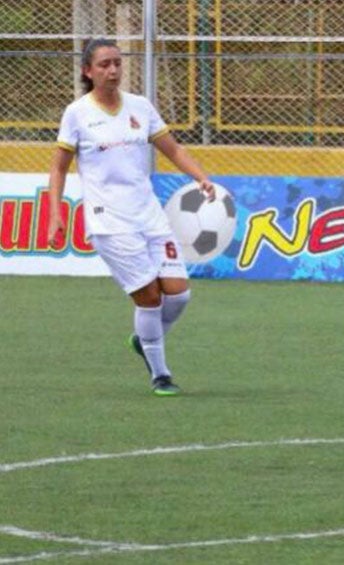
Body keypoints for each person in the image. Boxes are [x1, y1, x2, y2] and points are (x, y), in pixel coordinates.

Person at [46, 38, 215, 396]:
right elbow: (59, 168)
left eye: (117, 63)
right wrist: (55, 215)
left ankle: (145, 339)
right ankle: (161, 374)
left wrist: (200, 177)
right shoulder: (77, 113)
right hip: (110, 222)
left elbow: (173, 148)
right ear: (87, 71)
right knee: (150, 298)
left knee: (179, 295)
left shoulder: (140, 106)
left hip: (149, 215)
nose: (112, 70)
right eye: (104, 64)